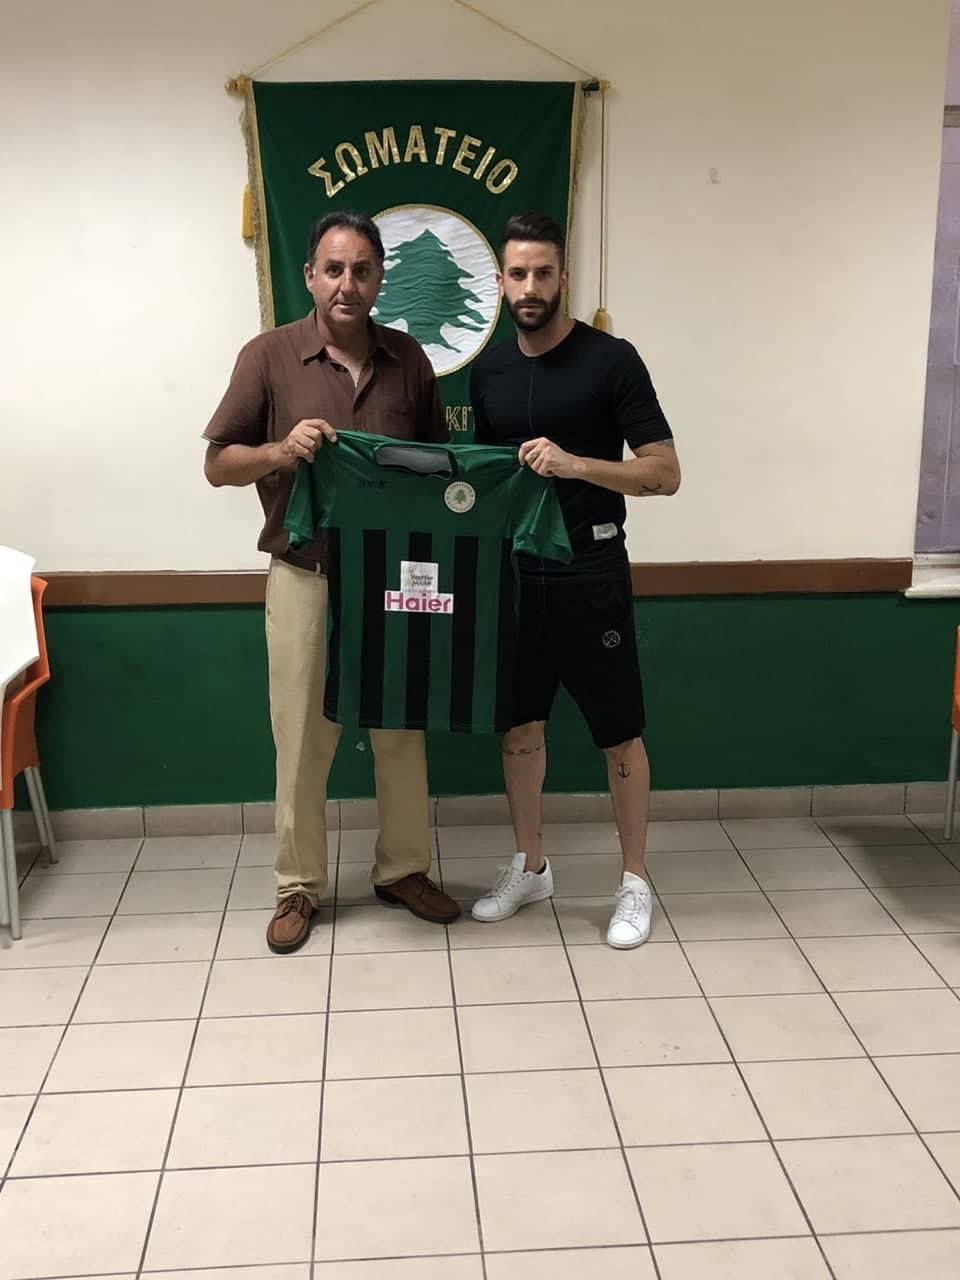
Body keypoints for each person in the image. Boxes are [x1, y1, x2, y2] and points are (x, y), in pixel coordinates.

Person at [203, 209, 460, 954]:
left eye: (363, 270)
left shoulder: (409, 358)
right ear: (310, 276)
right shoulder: (268, 356)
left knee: (401, 731)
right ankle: (297, 886)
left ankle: (403, 870)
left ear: (381, 279)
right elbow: (218, 465)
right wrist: (281, 451)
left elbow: (440, 468)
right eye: (334, 269)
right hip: (305, 575)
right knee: (302, 741)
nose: (348, 284)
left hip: (394, 581)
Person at [469, 210, 681, 948]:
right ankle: (531, 867)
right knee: (519, 728)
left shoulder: (610, 361)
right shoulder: (490, 372)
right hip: (515, 575)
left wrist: (575, 464)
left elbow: (665, 473)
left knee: (619, 735)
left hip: (591, 569)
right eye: (517, 274)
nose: (530, 287)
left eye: (543, 273)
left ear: (564, 277)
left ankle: (635, 881)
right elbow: (485, 484)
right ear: (501, 283)